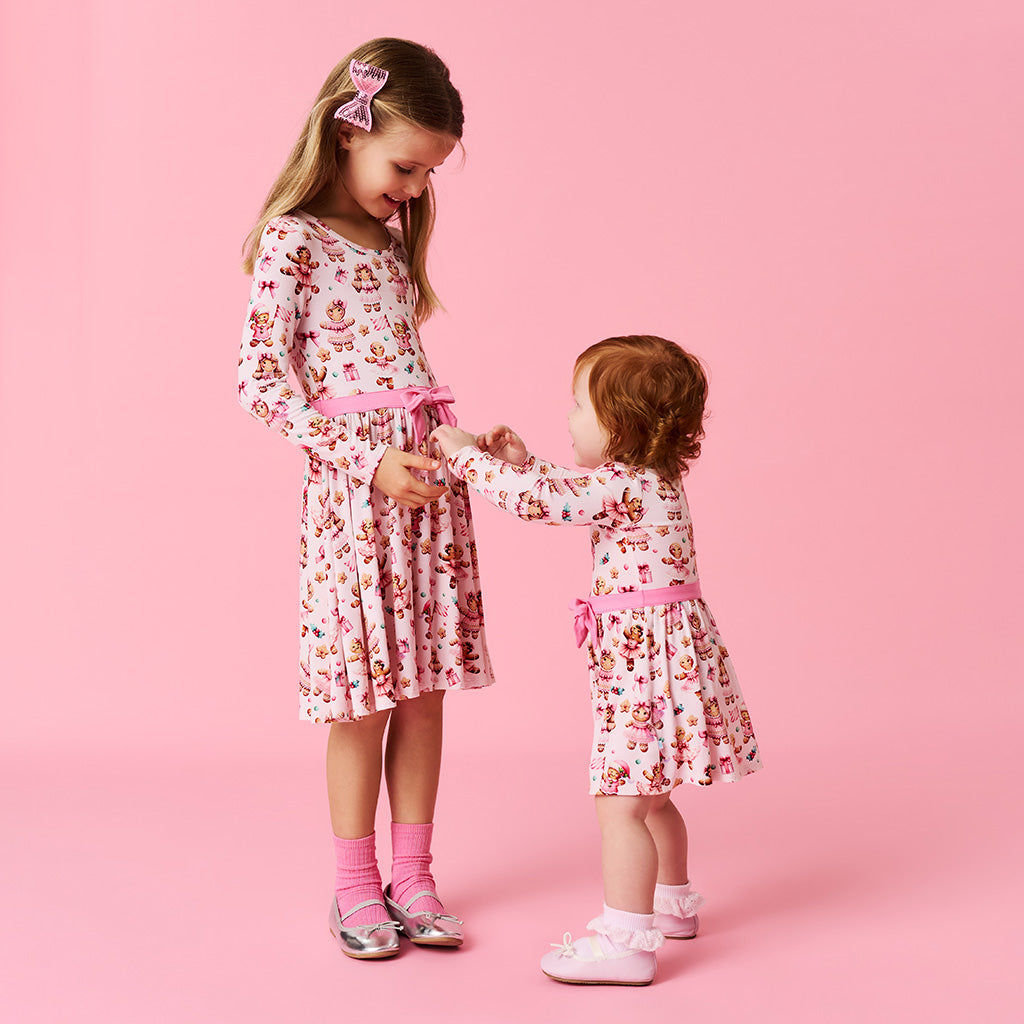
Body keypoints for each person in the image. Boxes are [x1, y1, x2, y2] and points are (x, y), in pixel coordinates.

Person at [238, 38, 494, 960]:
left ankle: (414, 875)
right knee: (365, 700)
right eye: (406, 165)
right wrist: (367, 462)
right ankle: (355, 887)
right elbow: (264, 385)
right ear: (350, 131)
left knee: (424, 695)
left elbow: (401, 375)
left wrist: (457, 447)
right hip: (356, 504)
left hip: (424, 497)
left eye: (428, 172)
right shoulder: (292, 239)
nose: (416, 188)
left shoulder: (388, 247)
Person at [432, 335, 762, 986]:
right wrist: (526, 461)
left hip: (643, 670)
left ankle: (625, 938)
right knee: (654, 799)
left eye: (578, 405)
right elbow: (567, 489)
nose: (567, 416)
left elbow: (539, 504)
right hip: (664, 662)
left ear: (622, 426)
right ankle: (671, 903)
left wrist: (469, 459)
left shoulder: (625, 487)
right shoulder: (646, 480)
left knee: (620, 805)